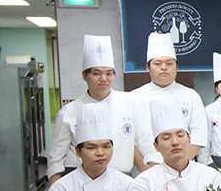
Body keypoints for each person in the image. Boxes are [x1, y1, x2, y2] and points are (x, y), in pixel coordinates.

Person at [48, 35, 150, 183]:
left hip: (121, 180)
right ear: (84, 75)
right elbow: (56, 159)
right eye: (96, 73)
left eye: (109, 73)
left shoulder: (131, 102)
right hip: (78, 182)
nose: (103, 78)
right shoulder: (69, 111)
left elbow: (146, 145)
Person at [129, 99, 221, 191]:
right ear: (156, 146)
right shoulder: (143, 183)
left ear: (189, 140)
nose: (175, 142)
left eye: (180, 135)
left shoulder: (211, 176)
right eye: (166, 138)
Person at [132, 33, 207, 164]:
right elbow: (130, 140)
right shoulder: (134, 97)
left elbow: (198, 135)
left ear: (177, 67)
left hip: (184, 169)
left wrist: (178, 165)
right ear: (148, 68)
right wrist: (147, 170)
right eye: (157, 63)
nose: (164, 67)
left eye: (169, 63)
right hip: (146, 170)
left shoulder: (190, 95)